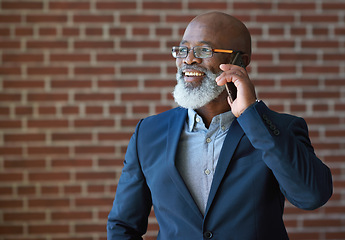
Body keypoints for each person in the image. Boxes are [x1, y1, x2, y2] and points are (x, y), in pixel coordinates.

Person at [107, 12, 333, 240]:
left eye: (204, 51)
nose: (188, 60)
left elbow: (312, 196)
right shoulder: (148, 132)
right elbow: (122, 226)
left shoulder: (279, 129)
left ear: (240, 62)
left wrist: (251, 115)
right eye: (183, 50)